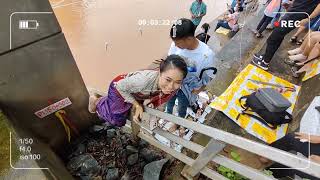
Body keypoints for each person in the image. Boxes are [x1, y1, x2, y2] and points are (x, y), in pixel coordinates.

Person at [88, 55, 188, 127]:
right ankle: (97, 102)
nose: (171, 86)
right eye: (168, 79)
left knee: (128, 112)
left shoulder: (174, 87)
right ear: (160, 72)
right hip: (119, 87)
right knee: (117, 121)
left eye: (178, 82)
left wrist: (152, 104)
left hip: (137, 92)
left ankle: (108, 100)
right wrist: (137, 105)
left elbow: (161, 99)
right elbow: (120, 87)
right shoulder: (143, 80)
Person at [166, 18, 215, 133]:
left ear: (188, 39)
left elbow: (209, 77)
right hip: (173, 83)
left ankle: (179, 123)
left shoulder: (206, 55)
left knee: (182, 106)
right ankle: (169, 117)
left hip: (188, 88)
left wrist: (199, 89)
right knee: (169, 100)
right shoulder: (175, 45)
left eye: (178, 42)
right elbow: (169, 61)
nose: (175, 45)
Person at [251, 0, 320, 71]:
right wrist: (291, 4)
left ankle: (265, 62)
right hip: (293, 13)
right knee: (277, 36)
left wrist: (308, 19)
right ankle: (265, 57)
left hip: (296, 15)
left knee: (274, 38)